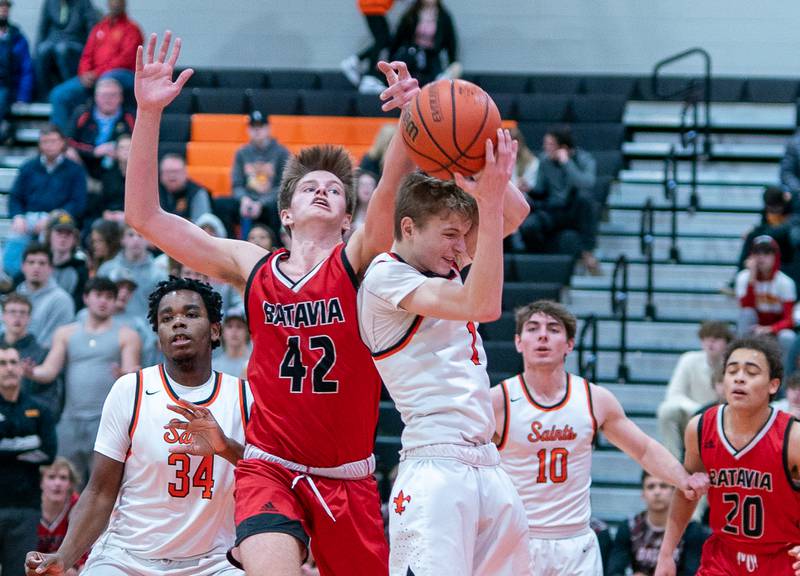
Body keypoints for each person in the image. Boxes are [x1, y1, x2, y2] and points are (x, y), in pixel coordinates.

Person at [125, 31, 419, 575]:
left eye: (336, 189)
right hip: (270, 469)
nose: (323, 190)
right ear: (285, 214)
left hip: (347, 478)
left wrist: (408, 121)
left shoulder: (356, 264)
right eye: (310, 186)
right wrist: (147, 114)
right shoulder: (252, 264)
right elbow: (146, 218)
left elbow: (386, 199)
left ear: (347, 218)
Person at [357, 132, 534, 575]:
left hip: (488, 464)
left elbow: (517, 212)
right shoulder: (384, 277)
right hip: (436, 468)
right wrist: (487, 204)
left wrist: (484, 171)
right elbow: (483, 305)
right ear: (409, 228)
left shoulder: (442, 262)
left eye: (466, 236)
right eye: (451, 234)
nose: (462, 247)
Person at [25, 277, 251, 576]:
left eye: (191, 314)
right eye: (167, 318)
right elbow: (100, 492)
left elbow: (269, 476)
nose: (178, 323)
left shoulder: (244, 396)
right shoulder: (130, 390)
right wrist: (64, 556)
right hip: (126, 558)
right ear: (159, 335)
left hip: (214, 562)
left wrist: (224, 447)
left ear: (214, 330)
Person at [492, 300, 708, 576]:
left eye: (554, 329)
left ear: (570, 344)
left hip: (576, 541)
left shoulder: (594, 399)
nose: (543, 335)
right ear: (519, 342)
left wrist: (683, 478)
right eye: (533, 329)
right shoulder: (497, 401)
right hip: (518, 537)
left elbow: (643, 449)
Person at [655, 337, 800, 576]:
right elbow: (686, 492)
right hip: (724, 558)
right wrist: (666, 553)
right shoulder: (700, 427)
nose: (739, 377)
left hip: (782, 559)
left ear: (773, 385)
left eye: (751, 372)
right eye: (732, 371)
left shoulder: (792, 437)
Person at [25, 277, 141, 481]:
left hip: (105, 422)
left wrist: (128, 375)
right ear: (86, 298)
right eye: (98, 295)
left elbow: (131, 373)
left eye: (109, 297)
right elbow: (50, 370)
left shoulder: (127, 335)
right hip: (71, 420)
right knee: (63, 482)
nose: (103, 301)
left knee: (103, 486)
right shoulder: (66, 333)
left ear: (115, 302)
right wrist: (32, 372)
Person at [0, 345, 57, 576]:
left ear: (22, 368)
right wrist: (27, 443)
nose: (9, 368)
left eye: (14, 362)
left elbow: (48, 453)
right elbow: (37, 448)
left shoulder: (39, 409)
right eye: (3, 363)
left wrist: (6, 446)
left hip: (27, 507)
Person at [4, 126, 87, 278]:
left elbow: (78, 202)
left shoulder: (75, 170)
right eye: (45, 141)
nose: (49, 145)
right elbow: (15, 197)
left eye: (53, 141)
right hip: (29, 217)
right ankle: (13, 279)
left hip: (59, 219)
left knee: (50, 234)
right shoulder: (28, 167)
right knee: (15, 237)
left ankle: (45, 277)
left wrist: (52, 219)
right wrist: (18, 217)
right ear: (40, 145)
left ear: (62, 143)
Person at [49, 0, 143, 131]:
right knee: (58, 94)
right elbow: (87, 54)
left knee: (106, 80)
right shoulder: (99, 27)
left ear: (124, 3)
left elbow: (125, 59)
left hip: (124, 75)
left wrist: (97, 73)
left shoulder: (132, 29)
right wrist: (84, 73)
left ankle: (105, 132)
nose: (115, 4)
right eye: (112, 1)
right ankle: (62, 141)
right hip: (94, 76)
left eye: (119, 1)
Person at [518, 126, 600, 273]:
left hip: (573, 209)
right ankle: (541, 263)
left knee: (585, 200)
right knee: (529, 226)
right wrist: (529, 189)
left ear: (563, 147)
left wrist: (567, 163)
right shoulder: (544, 161)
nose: (545, 148)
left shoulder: (584, 159)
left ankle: (588, 252)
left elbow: (586, 183)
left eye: (550, 145)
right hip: (552, 209)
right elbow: (541, 191)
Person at [657, 320, 734, 458]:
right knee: (666, 411)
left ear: (727, 342)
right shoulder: (689, 360)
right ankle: (673, 463)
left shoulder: (734, 365)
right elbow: (674, 395)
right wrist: (699, 411)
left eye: (716, 339)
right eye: (705, 339)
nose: (710, 343)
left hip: (725, 419)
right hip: (693, 416)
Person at [607, 471, 706, 576]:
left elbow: (693, 572)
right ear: (643, 494)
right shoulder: (628, 527)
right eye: (651, 487)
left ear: (674, 492)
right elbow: (614, 571)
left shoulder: (691, 529)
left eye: (663, 486)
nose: (657, 492)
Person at [215, 111, 289, 239]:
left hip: (270, 203)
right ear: (248, 130)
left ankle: (275, 246)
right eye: (253, 127)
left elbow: (283, 187)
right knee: (220, 204)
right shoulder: (242, 153)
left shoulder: (282, 153)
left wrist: (261, 203)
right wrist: (244, 199)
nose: (257, 130)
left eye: (260, 126)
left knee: (280, 208)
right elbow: (237, 184)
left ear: (268, 128)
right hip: (247, 201)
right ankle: (229, 242)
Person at [735, 235, 796, 369]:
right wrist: (752, 277)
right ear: (751, 256)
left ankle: (783, 384)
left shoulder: (785, 282)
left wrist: (770, 329)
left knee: (788, 337)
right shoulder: (743, 278)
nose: (761, 257)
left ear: (776, 256)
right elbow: (746, 307)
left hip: (776, 330)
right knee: (746, 315)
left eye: (767, 252)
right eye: (757, 252)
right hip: (754, 328)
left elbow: (789, 320)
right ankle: (741, 365)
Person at [66, 77, 134, 179]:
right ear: (96, 97)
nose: (108, 99)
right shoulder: (83, 113)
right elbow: (68, 141)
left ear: (121, 97)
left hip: (119, 168)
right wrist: (94, 151)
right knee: (69, 153)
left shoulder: (130, 116)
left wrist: (120, 150)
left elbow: (140, 143)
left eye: (113, 95)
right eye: (104, 95)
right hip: (86, 164)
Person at [1, 294, 54, 419]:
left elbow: (50, 399)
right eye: (12, 312)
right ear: (3, 316)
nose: (17, 317)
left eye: (22, 313)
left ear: (29, 318)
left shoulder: (42, 353)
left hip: (29, 421)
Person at [97, 224, 167, 319]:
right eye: (130, 235)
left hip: (145, 330)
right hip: (111, 326)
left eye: (141, 235)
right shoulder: (106, 269)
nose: (136, 240)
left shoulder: (159, 275)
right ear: (122, 239)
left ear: (149, 240)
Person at [388, 0, 460, 89]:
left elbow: (451, 42)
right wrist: (390, 60)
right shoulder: (412, 14)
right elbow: (398, 38)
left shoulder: (443, 16)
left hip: (432, 58)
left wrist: (453, 62)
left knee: (435, 84)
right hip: (412, 56)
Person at [34, 0, 98, 98]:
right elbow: (42, 27)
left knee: (62, 49)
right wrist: (36, 51)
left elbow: (92, 28)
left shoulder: (84, 3)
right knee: (42, 50)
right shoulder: (49, 2)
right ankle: (44, 95)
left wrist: (91, 54)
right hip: (53, 41)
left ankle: (68, 91)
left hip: (75, 42)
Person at [15, 244, 75, 347]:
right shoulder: (13, 298)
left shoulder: (61, 300)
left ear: (51, 269)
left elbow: (55, 342)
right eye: (31, 262)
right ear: (23, 267)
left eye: (42, 263)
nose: (36, 267)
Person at [37, 457, 86, 574]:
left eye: (63, 478)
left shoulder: (77, 505)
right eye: (51, 477)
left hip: (67, 567)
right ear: (40, 482)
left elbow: (84, 549)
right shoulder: (29, 507)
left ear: (70, 483)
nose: (57, 483)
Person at [44, 211, 89, 311]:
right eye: (59, 232)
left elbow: (79, 304)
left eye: (68, 233)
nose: (63, 237)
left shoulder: (81, 270)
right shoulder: (39, 263)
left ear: (74, 239)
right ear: (49, 235)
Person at [0, 0, 33, 133]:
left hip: (6, 86)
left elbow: (26, 69)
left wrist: (23, 96)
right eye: (0, 6)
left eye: (6, 6)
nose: (3, 9)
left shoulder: (17, 38)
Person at [158, 153, 214, 222]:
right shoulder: (153, 191)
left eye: (176, 171)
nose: (172, 176)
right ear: (161, 174)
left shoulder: (197, 192)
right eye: (167, 172)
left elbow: (202, 223)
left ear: (185, 173)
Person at [213, 306, 250, 378]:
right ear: (222, 332)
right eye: (229, 326)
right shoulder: (213, 368)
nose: (234, 331)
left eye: (239, 326)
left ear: (247, 332)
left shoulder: (255, 366)